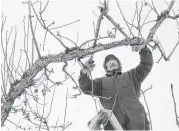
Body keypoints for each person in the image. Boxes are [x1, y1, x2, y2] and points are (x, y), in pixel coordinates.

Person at [78, 43, 153, 130]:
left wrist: (143, 49)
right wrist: (84, 72)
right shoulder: (100, 83)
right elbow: (86, 88)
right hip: (113, 124)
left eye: (114, 61)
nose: (112, 63)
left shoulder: (132, 76)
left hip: (136, 119)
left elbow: (146, 64)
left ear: (119, 65)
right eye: (109, 63)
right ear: (106, 68)